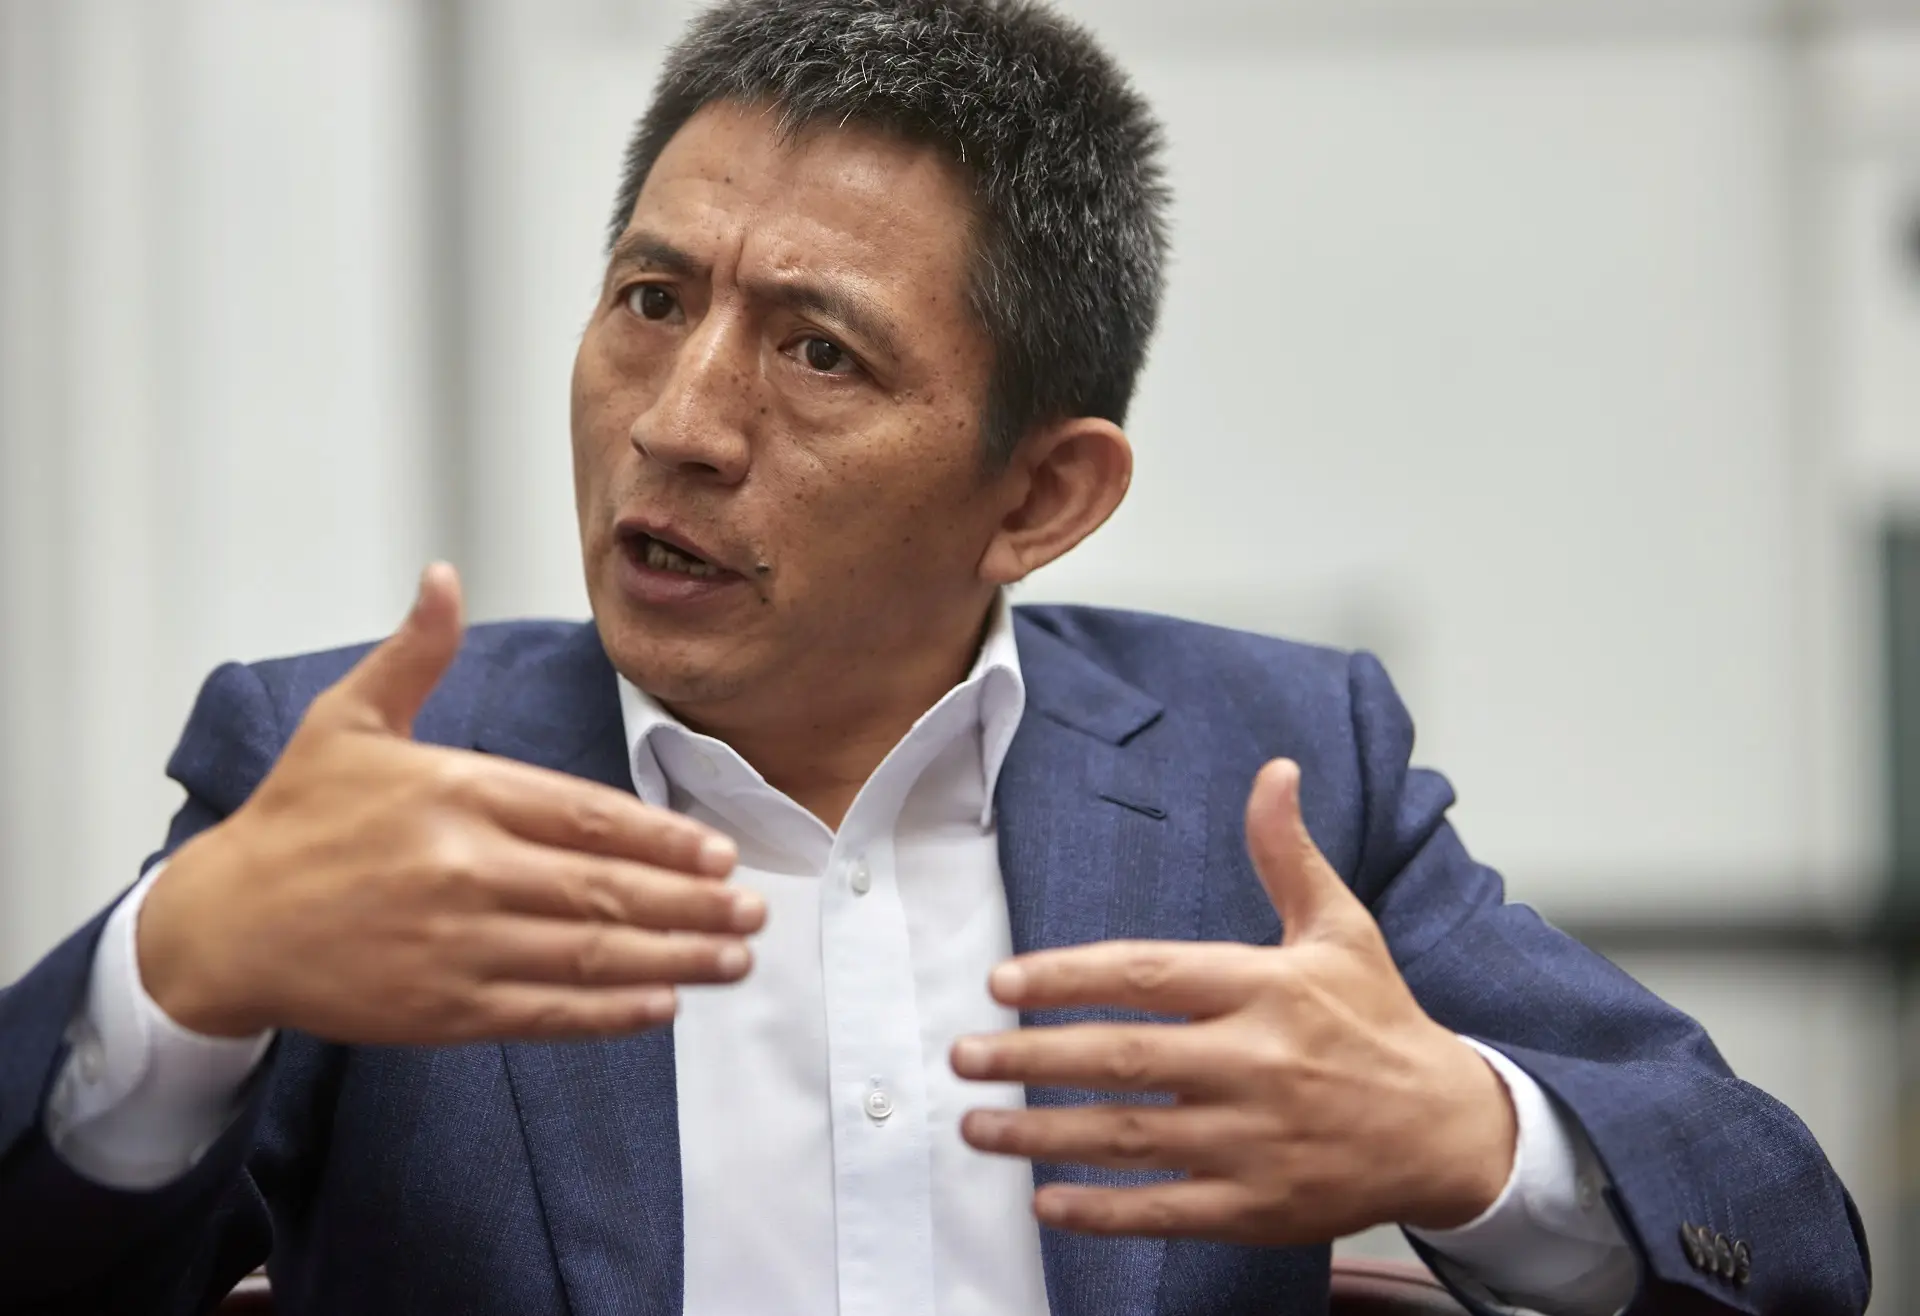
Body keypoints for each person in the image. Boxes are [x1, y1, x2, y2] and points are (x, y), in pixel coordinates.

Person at [0, 1, 1869, 1312]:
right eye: (651, 299)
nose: (679, 423)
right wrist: (181, 979)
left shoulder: (1268, 772)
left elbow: (1784, 1238)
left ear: (1041, 495)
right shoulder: (370, 777)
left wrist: (1462, 1136)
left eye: (819, 352)